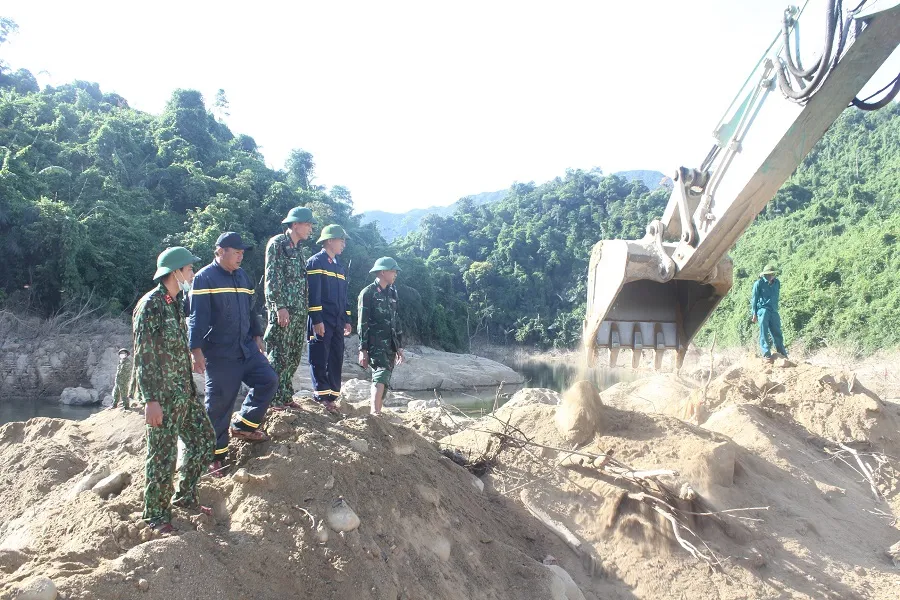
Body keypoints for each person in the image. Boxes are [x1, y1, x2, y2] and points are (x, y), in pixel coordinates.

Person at [131, 246, 215, 534]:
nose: (192, 273)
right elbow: (144, 355)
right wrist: (150, 400)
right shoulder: (151, 305)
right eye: (189, 269)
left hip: (184, 394)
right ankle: (156, 515)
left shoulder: (175, 302)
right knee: (162, 457)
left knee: (204, 440)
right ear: (175, 272)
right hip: (163, 398)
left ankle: (185, 497)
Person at [188, 232, 277, 474]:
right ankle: (214, 457)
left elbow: (250, 310)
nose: (240, 257)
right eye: (236, 252)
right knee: (219, 404)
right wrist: (195, 350)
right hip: (220, 352)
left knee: (268, 380)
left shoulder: (242, 276)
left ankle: (243, 426)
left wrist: (257, 336)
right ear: (221, 251)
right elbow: (197, 317)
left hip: (245, 346)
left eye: (242, 253)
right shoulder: (205, 278)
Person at [264, 207, 317, 411]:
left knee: (293, 356)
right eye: (308, 224)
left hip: (298, 312)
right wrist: (279, 307)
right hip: (283, 311)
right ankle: (272, 399)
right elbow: (272, 277)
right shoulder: (278, 243)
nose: (310, 228)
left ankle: (285, 395)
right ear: (295, 225)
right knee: (278, 354)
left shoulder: (298, 250)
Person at [306, 224, 351, 413]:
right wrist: (317, 319)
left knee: (336, 356)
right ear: (330, 240)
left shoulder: (339, 266)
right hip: (322, 318)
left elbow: (344, 295)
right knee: (319, 356)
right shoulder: (316, 262)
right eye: (341, 240)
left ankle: (332, 395)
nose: (344, 244)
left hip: (337, 319)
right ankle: (321, 395)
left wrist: (347, 318)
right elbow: (313, 294)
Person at [357, 257, 404, 416]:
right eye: (393, 271)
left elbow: (396, 320)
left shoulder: (393, 292)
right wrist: (362, 349)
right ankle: (375, 412)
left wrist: (399, 347)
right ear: (383, 272)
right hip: (375, 343)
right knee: (381, 372)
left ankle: (377, 411)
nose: (396, 274)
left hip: (390, 343)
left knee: (386, 376)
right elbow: (362, 323)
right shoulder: (368, 293)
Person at [751, 263, 788, 361]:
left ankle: (782, 353)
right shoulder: (758, 284)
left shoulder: (777, 283)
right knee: (764, 332)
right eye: (769, 274)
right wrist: (754, 313)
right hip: (763, 310)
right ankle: (766, 354)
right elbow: (754, 299)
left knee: (777, 332)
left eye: (772, 274)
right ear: (765, 274)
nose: (771, 276)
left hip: (774, 310)